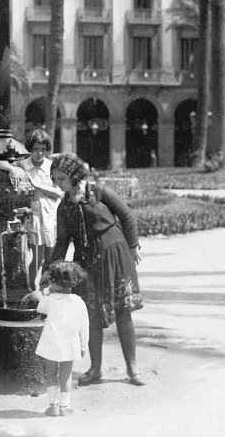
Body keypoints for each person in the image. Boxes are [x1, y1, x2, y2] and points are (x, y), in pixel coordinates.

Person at [50, 153, 145, 387]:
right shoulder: (64, 207)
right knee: (92, 316)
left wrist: (132, 247)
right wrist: (51, 271)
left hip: (114, 253)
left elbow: (126, 215)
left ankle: (132, 369)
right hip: (85, 262)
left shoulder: (99, 192)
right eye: (55, 179)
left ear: (73, 176)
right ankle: (95, 369)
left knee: (123, 311)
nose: (58, 184)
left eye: (61, 178)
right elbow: (62, 242)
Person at [0, 129, 63, 288]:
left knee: (51, 257)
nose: (40, 153)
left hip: (51, 214)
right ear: (30, 149)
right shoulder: (23, 164)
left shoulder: (51, 166)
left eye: (43, 150)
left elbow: (59, 193)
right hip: (33, 214)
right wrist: (12, 169)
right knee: (36, 258)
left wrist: (37, 186)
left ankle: (46, 288)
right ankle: (31, 288)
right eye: (36, 149)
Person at [25, 261, 89, 417]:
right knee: (66, 376)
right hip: (70, 343)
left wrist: (46, 293)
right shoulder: (79, 302)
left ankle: (53, 406)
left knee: (51, 374)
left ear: (53, 282)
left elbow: (40, 308)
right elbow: (84, 325)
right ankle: (64, 407)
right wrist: (83, 346)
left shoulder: (50, 299)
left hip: (51, 342)